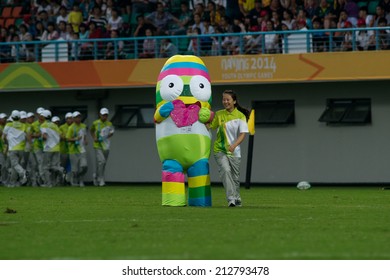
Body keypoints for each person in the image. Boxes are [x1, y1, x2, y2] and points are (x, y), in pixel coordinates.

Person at [209, 90, 249, 207]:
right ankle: (231, 199)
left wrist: (234, 145)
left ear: (234, 101)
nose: (225, 102)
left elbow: (242, 134)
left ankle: (237, 197)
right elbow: (212, 126)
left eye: (228, 100)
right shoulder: (219, 114)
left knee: (235, 178)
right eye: (223, 99)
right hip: (219, 149)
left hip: (234, 151)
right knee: (226, 171)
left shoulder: (240, 116)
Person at [90, 108, 114, 186]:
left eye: (106, 115)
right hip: (98, 146)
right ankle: (101, 179)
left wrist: (106, 136)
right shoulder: (96, 123)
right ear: (100, 115)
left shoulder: (109, 124)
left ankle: (96, 176)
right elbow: (91, 130)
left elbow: (112, 132)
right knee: (102, 161)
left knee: (103, 163)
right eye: (103, 115)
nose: (104, 117)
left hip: (106, 146)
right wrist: (94, 138)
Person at [66, 111, 88, 187]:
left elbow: (84, 135)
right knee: (74, 169)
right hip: (73, 150)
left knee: (84, 166)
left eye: (79, 117)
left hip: (82, 149)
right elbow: (68, 139)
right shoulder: (71, 128)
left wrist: (85, 140)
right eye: (76, 117)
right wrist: (75, 139)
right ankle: (74, 181)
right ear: (73, 119)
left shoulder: (83, 126)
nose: (78, 119)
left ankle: (80, 178)